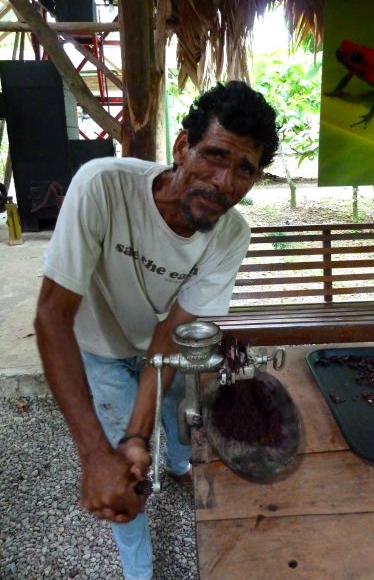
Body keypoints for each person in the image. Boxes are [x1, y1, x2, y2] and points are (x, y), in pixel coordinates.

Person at [34, 80, 279, 580]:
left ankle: (176, 464)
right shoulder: (102, 185)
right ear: (182, 146)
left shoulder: (231, 234)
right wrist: (98, 453)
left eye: (244, 171)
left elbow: (173, 331)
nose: (223, 183)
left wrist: (137, 434)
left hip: (161, 347)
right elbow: (52, 315)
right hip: (100, 348)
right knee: (119, 474)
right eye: (213, 156)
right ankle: (139, 572)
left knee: (170, 408)